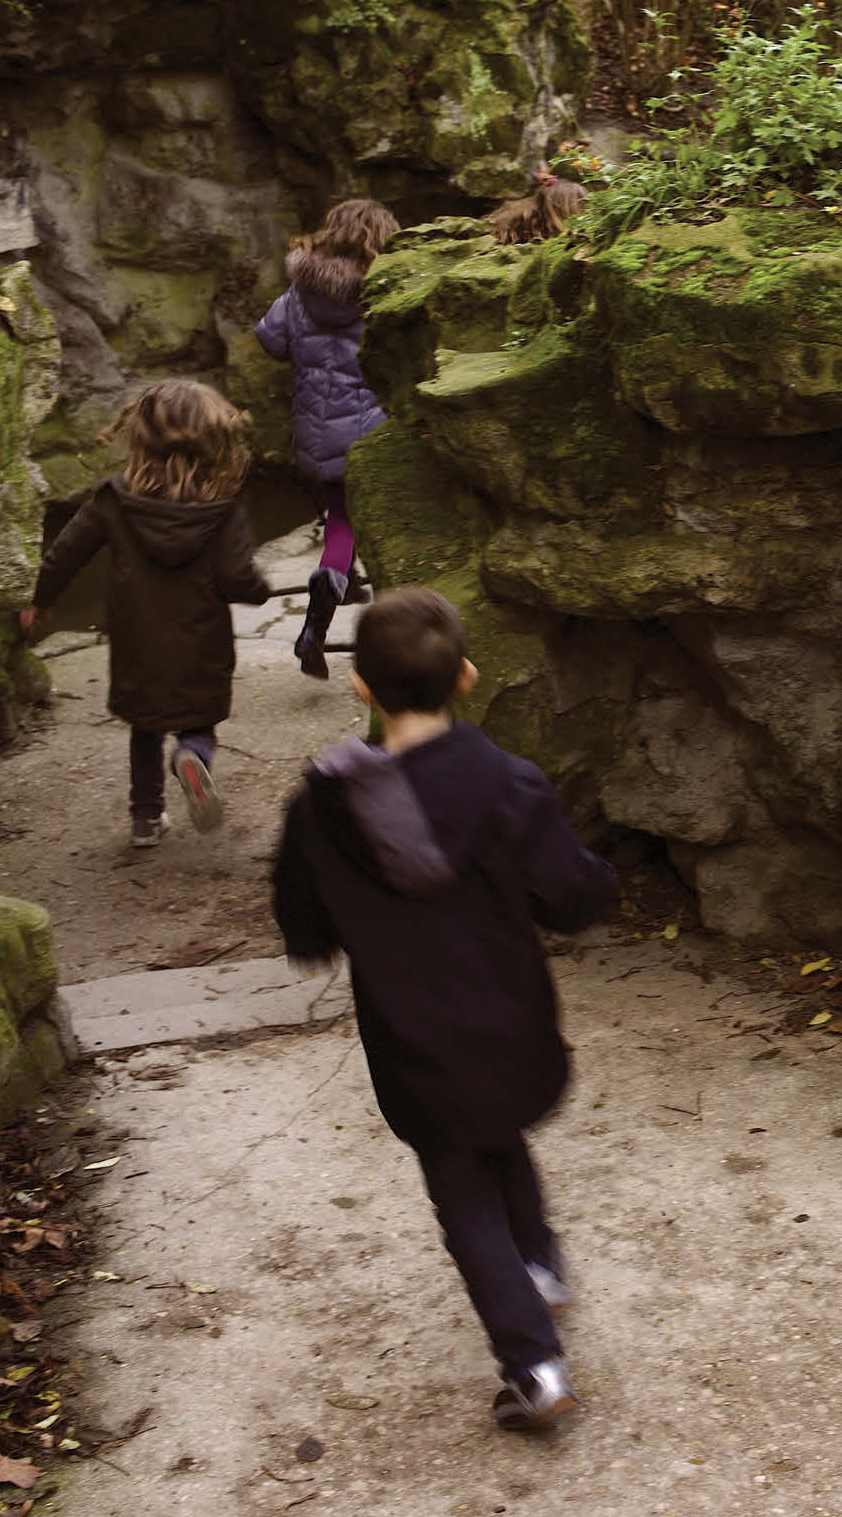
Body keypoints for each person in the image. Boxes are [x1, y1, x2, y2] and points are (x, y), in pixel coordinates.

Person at [272, 587, 618, 1432]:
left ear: (361, 686)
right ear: (465, 675)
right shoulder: (509, 783)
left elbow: (299, 907)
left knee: (460, 1183)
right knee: (495, 1122)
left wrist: (317, 934)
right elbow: (571, 895)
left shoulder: (324, 803)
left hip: (412, 1033)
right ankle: (536, 1265)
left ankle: (533, 1363)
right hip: (509, 1015)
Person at [21, 380, 271, 847]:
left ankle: (145, 819)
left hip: (137, 642)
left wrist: (40, 599)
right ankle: (192, 755)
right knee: (197, 721)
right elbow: (239, 577)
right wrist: (259, 590)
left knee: (145, 726)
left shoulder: (113, 499)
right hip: (201, 642)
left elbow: (67, 552)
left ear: (139, 438)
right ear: (215, 444)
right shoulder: (221, 510)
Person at [255, 196, 401, 681]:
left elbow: (269, 339)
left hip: (313, 431)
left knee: (340, 518)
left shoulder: (301, 291)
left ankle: (337, 593)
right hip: (373, 435)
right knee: (363, 527)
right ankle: (332, 627)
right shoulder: (385, 291)